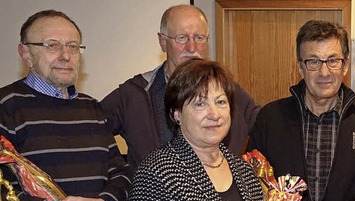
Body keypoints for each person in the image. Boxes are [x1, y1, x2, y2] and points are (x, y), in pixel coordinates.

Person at [247, 20, 355, 201]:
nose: (324, 72)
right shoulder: (270, 118)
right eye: (313, 61)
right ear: (300, 67)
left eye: (332, 60)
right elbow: (252, 182)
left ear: (345, 64)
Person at [0, 10, 132, 201]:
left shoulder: (92, 108)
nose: (65, 55)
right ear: (26, 54)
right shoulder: (6, 106)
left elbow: (120, 173)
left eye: (73, 46)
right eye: (52, 45)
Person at [101, 4, 260, 172]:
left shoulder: (228, 90)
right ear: (163, 42)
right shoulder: (134, 94)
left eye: (199, 38)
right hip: (153, 196)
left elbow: (267, 128)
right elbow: (90, 134)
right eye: (182, 38)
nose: (192, 48)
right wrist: (120, 180)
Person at [123, 59, 264, 201]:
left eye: (221, 102)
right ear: (177, 113)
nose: (214, 114)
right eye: (200, 104)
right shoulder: (157, 174)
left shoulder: (244, 172)